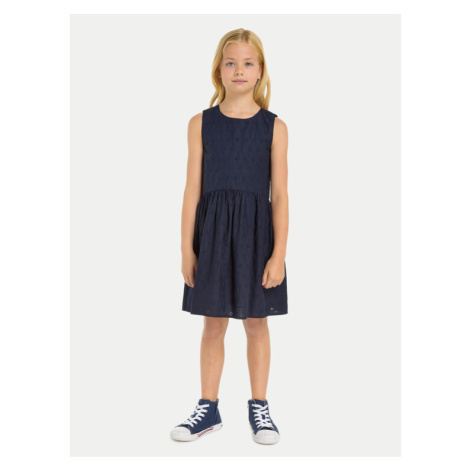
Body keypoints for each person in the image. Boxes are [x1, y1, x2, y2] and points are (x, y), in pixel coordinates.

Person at [171, 28, 289, 445]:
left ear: (260, 71)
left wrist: (278, 254)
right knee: (213, 322)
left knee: (257, 323)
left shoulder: (274, 127)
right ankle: (208, 408)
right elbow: (192, 190)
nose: (239, 70)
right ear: (218, 70)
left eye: (248, 63)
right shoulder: (200, 124)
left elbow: (280, 195)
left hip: (257, 237)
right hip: (214, 235)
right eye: (231, 62)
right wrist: (187, 249)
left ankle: (260, 407)